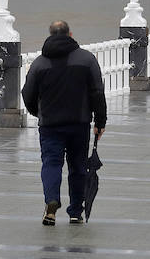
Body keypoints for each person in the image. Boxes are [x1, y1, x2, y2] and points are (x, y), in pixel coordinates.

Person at [21, 20, 107, 226]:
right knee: (77, 167)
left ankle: (51, 201)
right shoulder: (87, 59)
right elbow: (97, 92)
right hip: (79, 123)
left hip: (50, 124)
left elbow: (27, 94)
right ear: (70, 34)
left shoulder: (40, 63)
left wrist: (39, 113)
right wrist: (100, 121)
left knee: (51, 163)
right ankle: (76, 211)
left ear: (50, 35)